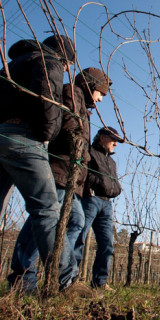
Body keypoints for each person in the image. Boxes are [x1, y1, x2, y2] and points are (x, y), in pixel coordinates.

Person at [7, 68, 112, 288]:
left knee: (73, 221)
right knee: (44, 218)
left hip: (70, 176)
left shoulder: (82, 103)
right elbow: (67, 128)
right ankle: (26, 274)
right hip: (59, 170)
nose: (101, 99)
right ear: (90, 85)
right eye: (101, 92)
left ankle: (60, 273)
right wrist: (82, 153)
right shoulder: (71, 93)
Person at [0, 34, 80, 293]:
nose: (67, 71)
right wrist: (48, 134)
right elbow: (48, 100)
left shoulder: (11, 65)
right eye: (69, 65)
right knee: (46, 210)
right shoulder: (49, 61)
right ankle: (67, 280)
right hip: (24, 137)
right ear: (64, 55)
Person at [74, 126, 122, 291]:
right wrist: (97, 185)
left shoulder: (112, 161)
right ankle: (70, 279)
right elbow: (84, 173)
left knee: (107, 244)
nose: (115, 144)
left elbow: (114, 182)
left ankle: (100, 283)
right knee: (78, 237)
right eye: (113, 139)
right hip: (90, 199)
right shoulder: (90, 152)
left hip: (107, 204)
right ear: (102, 137)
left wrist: (117, 189)